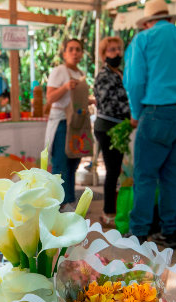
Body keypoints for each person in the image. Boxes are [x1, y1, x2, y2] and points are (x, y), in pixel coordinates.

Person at [123, 0, 176, 247]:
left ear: (147, 22)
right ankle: (170, 232)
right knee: (171, 175)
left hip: (158, 111)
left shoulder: (144, 38)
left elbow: (135, 81)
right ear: (169, 18)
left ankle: (138, 233)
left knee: (146, 176)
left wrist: (136, 112)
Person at [44, 38, 91, 211]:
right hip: (61, 122)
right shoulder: (58, 71)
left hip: (77, 125)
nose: (74, 52)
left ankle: (69, 201)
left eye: (78, 49)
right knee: (59, 165)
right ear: (64, 53)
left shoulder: (80, 73)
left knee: (73, 165)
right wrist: (65, 87)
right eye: (71, 49)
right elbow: (50, 98)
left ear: (81, 53)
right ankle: (55, 204)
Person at [93, 36, 130, 228]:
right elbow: (110, 104)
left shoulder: (122, 73)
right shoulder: (103, 76)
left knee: (116, 170)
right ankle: (108, 212)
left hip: (120, 127)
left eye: (118, 49)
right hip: (108, 127)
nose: (116, 53)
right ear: (103, 55)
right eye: (111, 50)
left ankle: (112, 209)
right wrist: (132, 112)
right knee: (112, 171)